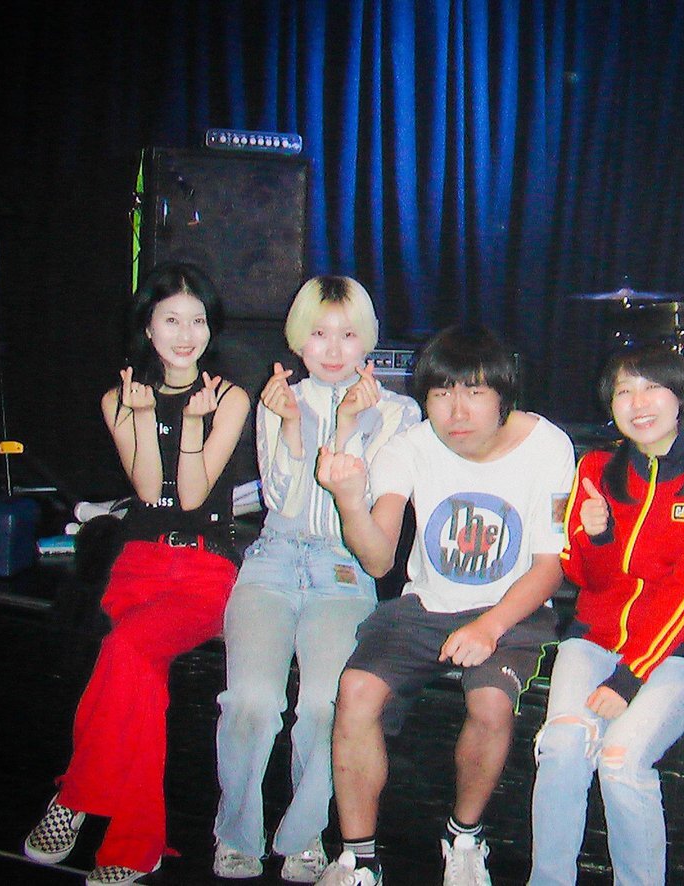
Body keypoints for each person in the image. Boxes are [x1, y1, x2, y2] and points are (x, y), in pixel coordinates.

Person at [313, 325, 575, 886]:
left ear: (503, 395)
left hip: (512, 607)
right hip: (425, 608)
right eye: (441, 394)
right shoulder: (408, 446)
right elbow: (378, 560)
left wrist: (490, 626)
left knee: (491, 704)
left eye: (474, 392)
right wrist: (350, 504)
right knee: (355, 691)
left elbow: (550, 565)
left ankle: (464, 837)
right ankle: (358, 858)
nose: (457, 411)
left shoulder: (547, 445)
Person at [23, 262, 251, 885]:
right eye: (171, 320)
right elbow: (151, 492)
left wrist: (194, 421)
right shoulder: (117, 399)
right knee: (138, 673)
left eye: (198, 320)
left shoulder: (230, 397)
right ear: (147, 328)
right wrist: (144, 418)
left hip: (203, 568)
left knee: (125, 650)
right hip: (139, 565)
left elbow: (192, 494)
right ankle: (133, 841)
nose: (186, 335)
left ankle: (76, 796)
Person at [212, 276, 420, 881]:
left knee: (328, 705)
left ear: (368, 341)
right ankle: (237, 835)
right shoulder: (279, 399)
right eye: (319, 333)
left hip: (342, 567)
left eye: (348, 335)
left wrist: (348, 426)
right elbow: (280, 500)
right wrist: (290, 428)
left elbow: (363, 502)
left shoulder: (398, 412)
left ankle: (304, 835)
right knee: (250, 701)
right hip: (273, 558)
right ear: (298, 338)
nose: (332, 349)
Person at [528, 346, 684, 886]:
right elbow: (585, 578)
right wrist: (598, 535)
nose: (639, 403)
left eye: (653, 388)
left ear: (681, 397)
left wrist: (630, 677)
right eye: (624, 391)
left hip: (683, 649)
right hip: (595, 637)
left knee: (621, 761)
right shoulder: (595, 469)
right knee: (562, 745)